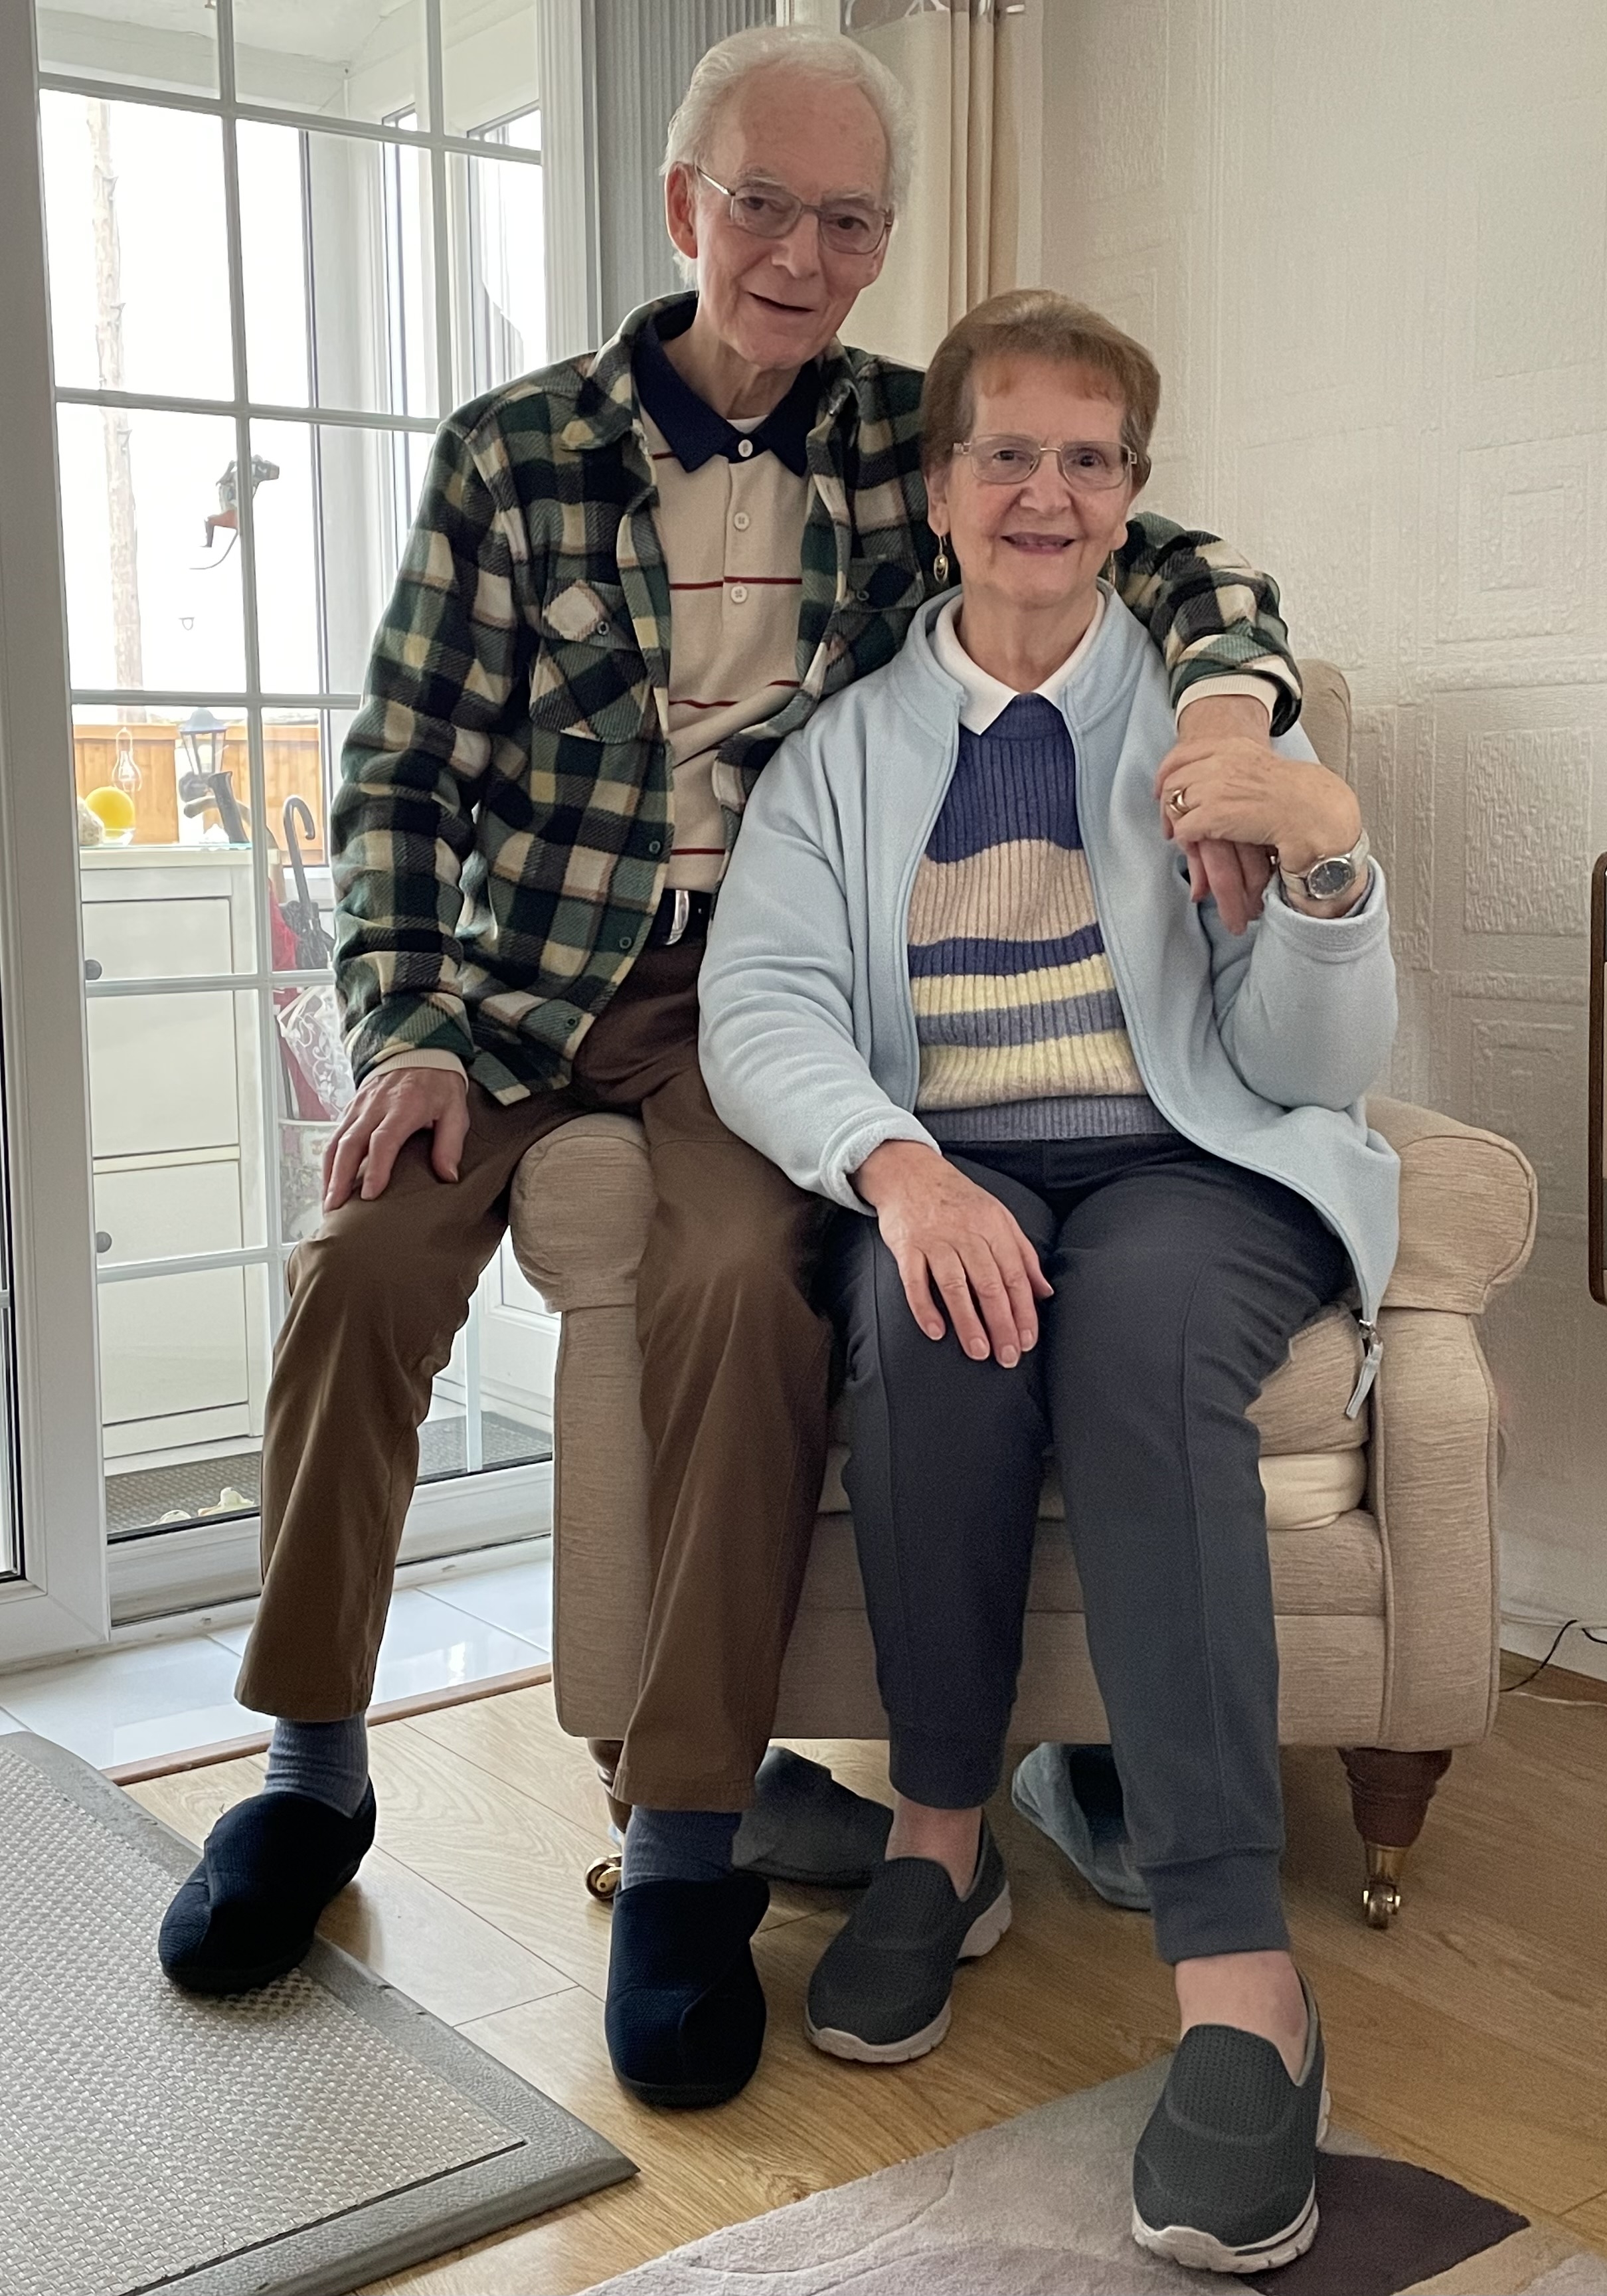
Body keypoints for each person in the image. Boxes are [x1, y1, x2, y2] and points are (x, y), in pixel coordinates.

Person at [153, 25, 1307, 2117]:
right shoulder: (515, 454)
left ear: (879, 247)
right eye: (759, 205)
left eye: (846, 218)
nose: (797, 251)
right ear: (684, 207)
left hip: (764, 989)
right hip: (518, 985)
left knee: (733, 1302)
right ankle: (310, 1767)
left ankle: (684, 1846)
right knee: (358, 1272)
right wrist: (407, 1022)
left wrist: (1233, 684)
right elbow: (405, 769)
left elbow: (1162, 552)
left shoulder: (910, 440)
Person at [698, 288, 1398, 2267]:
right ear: (937, 488)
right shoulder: (844, 750)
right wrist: (899, 1167)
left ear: (1130, 502)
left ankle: (1235, 1969)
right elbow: (758, 1001)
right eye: (1003, 450)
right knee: (929, 1326)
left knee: (1148, 1334)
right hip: (963, 1165)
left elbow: (1314, 1066)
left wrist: (1328, 865)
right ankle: (941, 1831)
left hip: (1198, 1162)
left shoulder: (1213, 727)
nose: (1042, 491)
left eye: (1086, 459)